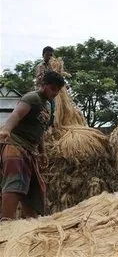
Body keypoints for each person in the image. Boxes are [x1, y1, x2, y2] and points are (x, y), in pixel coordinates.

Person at [0, 71, 66, 221]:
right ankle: (6, 224)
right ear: (43, 85)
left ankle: (33, 223)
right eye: (52, 88)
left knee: (33, 189)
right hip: (15, 145)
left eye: (58, 90)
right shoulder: (32, 98)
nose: (55, 93)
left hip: (30, 150)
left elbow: (40, 131)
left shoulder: (47, 106)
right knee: (14, 182)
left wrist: (42, 152)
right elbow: (16, 115)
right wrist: (6, 130)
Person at [35, 46, 56, 127]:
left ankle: (50, 127)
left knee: (53, 109)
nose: (49, 57)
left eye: (51, 55)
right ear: (43, 55)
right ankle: (42, 126)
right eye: (47, 55)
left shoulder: (52, 66)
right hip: (41, 91)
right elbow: (39, 79)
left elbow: (57, 77)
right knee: (42, 110)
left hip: (50, 92)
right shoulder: (41, 66)